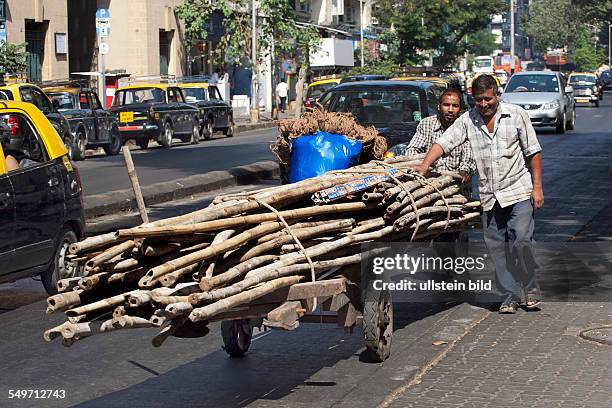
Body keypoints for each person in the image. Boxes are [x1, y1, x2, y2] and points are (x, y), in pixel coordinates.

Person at [415, 74, 544, 314]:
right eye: (478, 100)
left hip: (518, 190)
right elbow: (443, 143)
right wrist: (424, 166)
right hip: (489, 196)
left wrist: (537, 188)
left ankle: (530, 287)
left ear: (497, 95)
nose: (484, 105)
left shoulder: (516, 115)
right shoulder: (468, 120)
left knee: (521, 240)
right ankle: (510, 295)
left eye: (487, 99)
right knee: (497, 249)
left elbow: (533, 152)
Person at [405, 88, 476, 265]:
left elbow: (469, 158)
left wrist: (464, 172)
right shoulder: (427, 125)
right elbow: (412, 150)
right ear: (439, 106)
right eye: (446, 105)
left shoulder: (467, 127)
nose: (450, 109)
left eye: (455, 106)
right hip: (429, 194)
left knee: (455, 241)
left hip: (457, 195)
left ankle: (456, 275)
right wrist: (425, 164)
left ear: (460, 108)